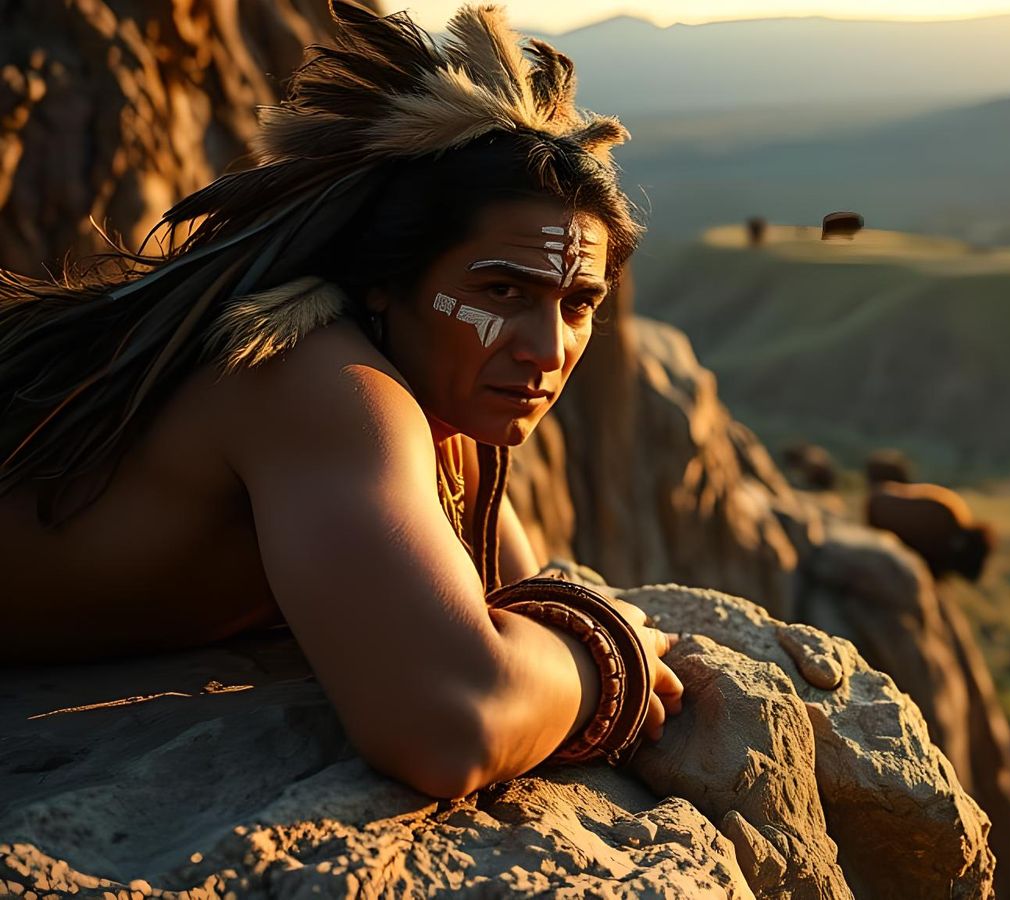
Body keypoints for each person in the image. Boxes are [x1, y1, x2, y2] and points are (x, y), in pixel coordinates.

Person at [0, 3, 681, 797]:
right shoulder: (318, 380)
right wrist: (607, 655)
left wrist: (556, 641)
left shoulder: (445, 409)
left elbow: (513, 607)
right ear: (384, 285)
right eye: (501, 289)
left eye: (577, 305)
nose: (547, 348)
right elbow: (452, 722)